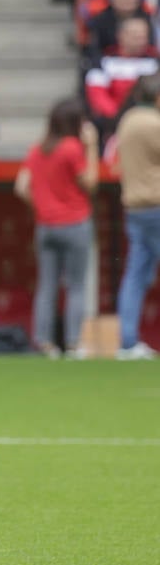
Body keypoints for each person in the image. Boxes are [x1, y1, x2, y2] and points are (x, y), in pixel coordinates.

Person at [14, 98, 98, 358]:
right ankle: (73, 344)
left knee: (47, 287)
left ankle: (45, 343)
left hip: (46, 225)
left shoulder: (38, 149)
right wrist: (93, 147)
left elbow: (20, 187)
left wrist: (41, 206)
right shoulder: (72, 148)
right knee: (75, 286)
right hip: (74, 223)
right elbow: (91, 183)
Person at [113, 72, 160, 360]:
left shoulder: (128, 120)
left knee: (135, 275)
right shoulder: (153, 123)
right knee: (136, 274)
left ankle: (127, 341)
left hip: (134, 206)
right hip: (156, 203)